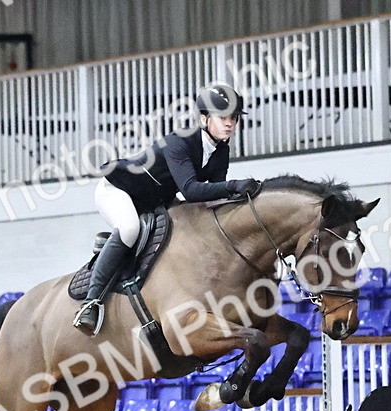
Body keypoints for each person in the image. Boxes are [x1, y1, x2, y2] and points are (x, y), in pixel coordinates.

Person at [73, 83, 262, 336]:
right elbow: (191, 191)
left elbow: (213, 196)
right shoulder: (180, 142)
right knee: (130, 228)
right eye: (223, 117)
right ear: (204, 118)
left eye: (234, 118)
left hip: (155, 200)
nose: (230, 123)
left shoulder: (220, 151)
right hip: (119, 190)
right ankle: (91, 303)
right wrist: (235, 186)